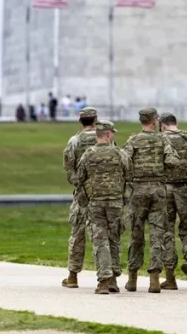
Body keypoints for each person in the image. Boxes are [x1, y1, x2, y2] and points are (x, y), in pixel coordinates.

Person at [122, 107, 181, 293]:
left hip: (138, 190)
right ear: (154, 121)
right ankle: (154, 279)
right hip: (157, 189)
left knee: (136, 234)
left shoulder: (133, 140)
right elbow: (173, 161)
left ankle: (132, 278)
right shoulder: (162, 140)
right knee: (157, 235)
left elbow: (123, 161)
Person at [76, 120, 132, 294]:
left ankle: (104, 279)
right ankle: (113, 278)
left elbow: (80, 178)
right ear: (108, 134)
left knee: (100, 240)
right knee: (114, 238)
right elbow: (129, 174)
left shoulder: (88, 154)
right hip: (115, 202)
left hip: (96, 202)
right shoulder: (119, 153)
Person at [158, 112, 187, 290]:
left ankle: (170, 277)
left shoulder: (160, 139)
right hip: (186, 189)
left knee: (166, 231)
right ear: (175, 123)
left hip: (166, 189)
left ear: (162, 125)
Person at [60, 107, 99, 288]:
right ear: (96, 120)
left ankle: (73, 276)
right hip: (102, 193)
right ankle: (107, 277)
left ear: (80, 120)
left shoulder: (74, 141)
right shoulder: (104, 139)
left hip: (82, 194)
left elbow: (69, 169)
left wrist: (80, 184)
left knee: (77, 234)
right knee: (104, 234)